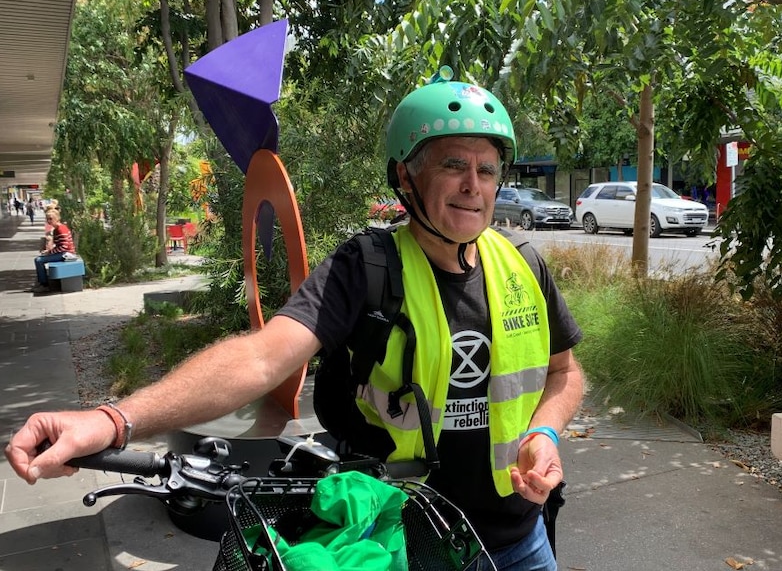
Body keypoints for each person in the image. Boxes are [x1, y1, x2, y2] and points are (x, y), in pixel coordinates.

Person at [5, 69, 585, 570]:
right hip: (403, 543)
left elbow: (564, 373)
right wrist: (114, 420)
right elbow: (261, 356)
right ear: (405, 177)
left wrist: (544, 432)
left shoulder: (525, 266)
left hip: (523, 539)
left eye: (487, 169)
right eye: (453, 165)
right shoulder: (367, 268)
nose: (473, 186)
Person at [31, 209, 76, 293]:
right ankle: (42, 282)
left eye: (51, 219)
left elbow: (64, 247)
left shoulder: (61, 229)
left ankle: (44, 284)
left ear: (57, 218)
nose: (48, 221)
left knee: (39, 260)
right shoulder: (56, 229)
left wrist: (49, 252)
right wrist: (49, 250)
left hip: (67, 254)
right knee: (39, 258)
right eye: (47, 219)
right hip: (63, 252)